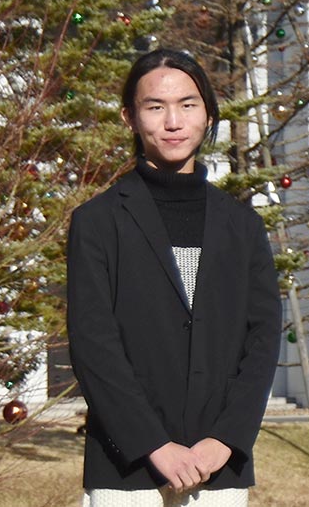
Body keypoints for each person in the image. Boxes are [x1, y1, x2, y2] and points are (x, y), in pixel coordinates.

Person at [68, 48, 282, 506]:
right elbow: (93, 344)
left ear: (208, 114)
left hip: (216, 464)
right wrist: (153, 444)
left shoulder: (243, 226)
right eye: (155, 106)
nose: (173, 122)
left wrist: (225, 438)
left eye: (188, 104)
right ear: (129, 117)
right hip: (126, 466)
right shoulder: (98, 222)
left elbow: (263, 339)